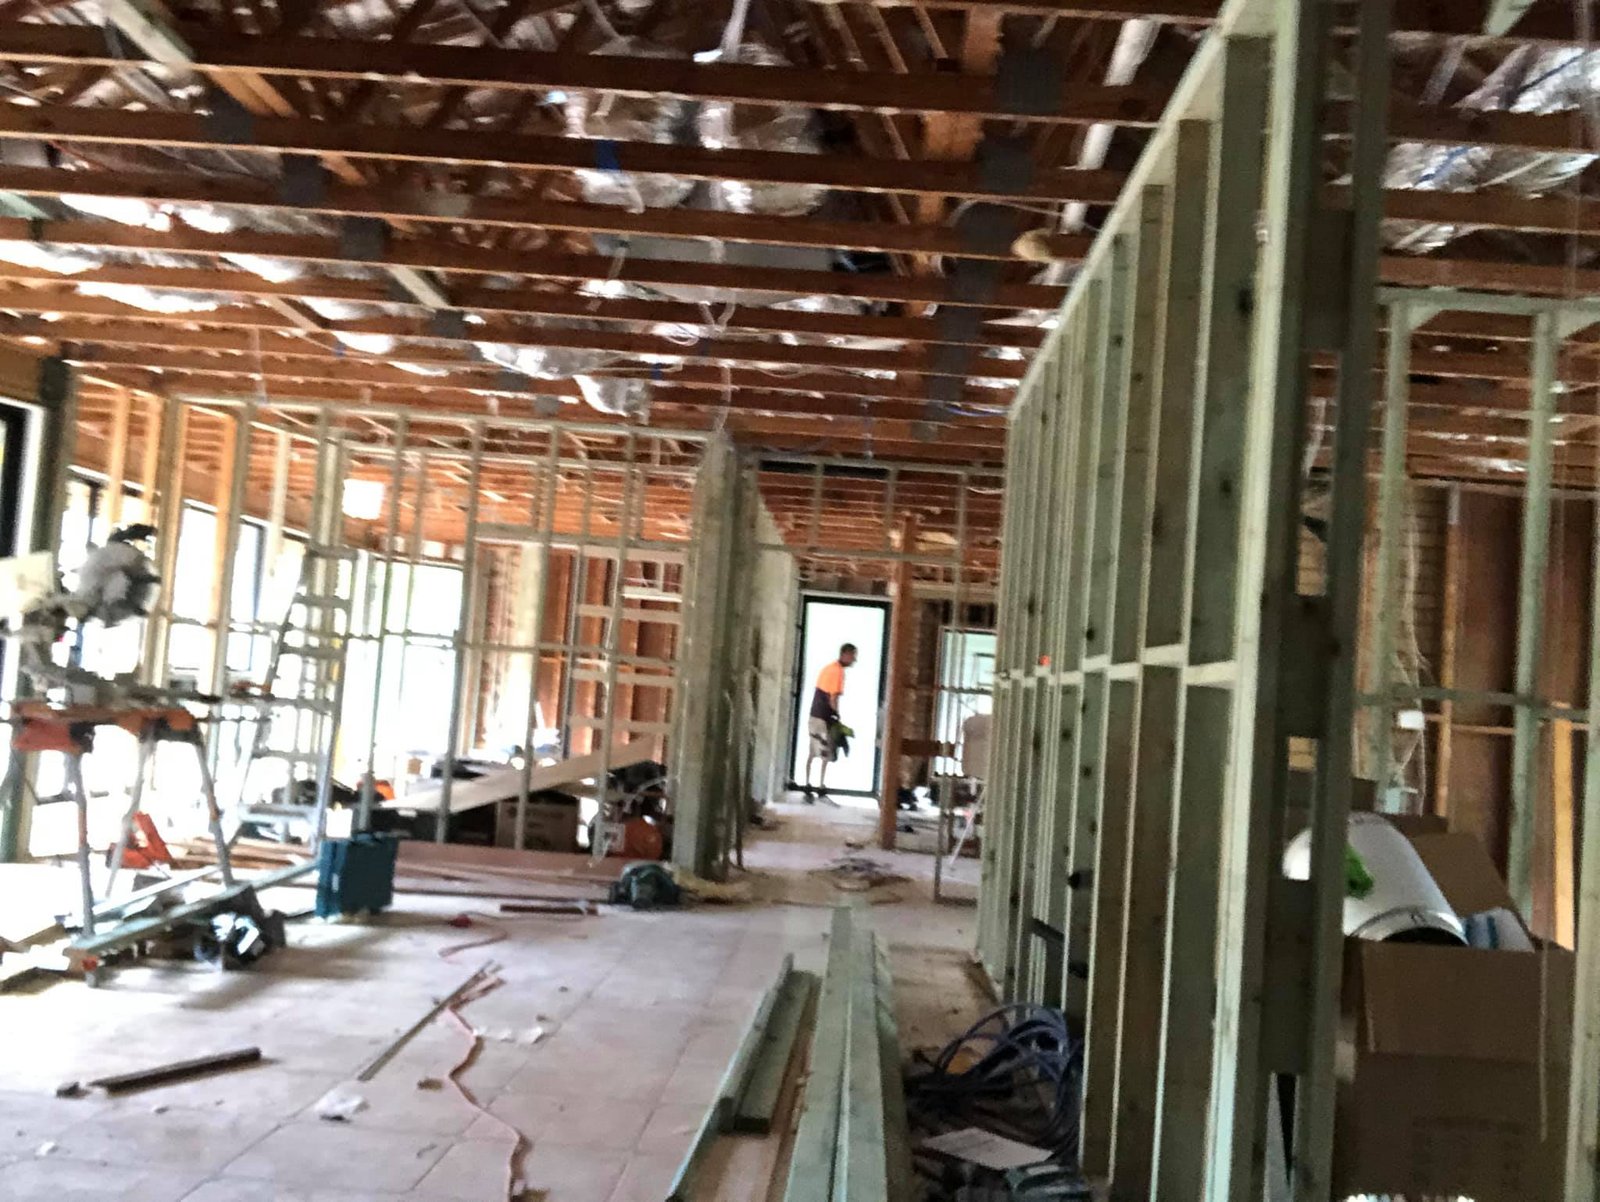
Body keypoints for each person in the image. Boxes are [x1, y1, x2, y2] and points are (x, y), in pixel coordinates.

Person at [804, 642, 857, 801]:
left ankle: (807, 784)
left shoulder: (827, 668)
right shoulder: (838, 672)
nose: (854, 660)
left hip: (814, 714)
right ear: (845, 654)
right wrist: (836, 715)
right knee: (826, 751)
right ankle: (821, 786)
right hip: (824, 717)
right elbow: (833, 698)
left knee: (812, 750)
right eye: (853, 656)